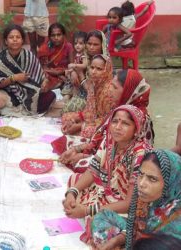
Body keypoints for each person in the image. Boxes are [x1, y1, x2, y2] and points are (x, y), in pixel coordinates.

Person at [62, 105, 152, 242]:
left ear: (136, 129)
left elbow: (130, 203)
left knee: (101, 226)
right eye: (115, 121)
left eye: (125, 123)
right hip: (107, 194)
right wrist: (72, 192)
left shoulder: (140, 154)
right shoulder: (110, 140)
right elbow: (93, 170)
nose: (117, 127)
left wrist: (87, 210)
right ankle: (86, 206)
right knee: (75, 179)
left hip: (128, 206)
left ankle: (90, 212)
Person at [58, 69, 152, 173]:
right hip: (106, 155)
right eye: (111, 85)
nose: (109, 90)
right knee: (68, 145)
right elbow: (102, 140)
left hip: (123, 167)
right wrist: (76, 150)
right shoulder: (119, 107)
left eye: (115, 87)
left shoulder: (138, 118)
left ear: (128, 91)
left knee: (82, 167)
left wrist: (85, 155)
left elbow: (121, 155)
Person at [91, 149, 181, 249]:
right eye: (141, 175)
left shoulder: (176, 221)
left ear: (171, 182)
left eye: (152, 179)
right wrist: (118, 239)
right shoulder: (147, 199)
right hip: (140, 239)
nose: (141, 184)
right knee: (101, 217)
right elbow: (135, 227)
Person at [0, 24, 56, 116]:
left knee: (50, 96)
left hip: (29, 94)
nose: (15, 39)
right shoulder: (0, 57)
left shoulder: (29, 56)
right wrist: (14, 78)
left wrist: (45, 83)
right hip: (8, 93)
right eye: (11, 37)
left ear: (22, 40)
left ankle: (9, 110)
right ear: (6, 41)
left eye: (18, 37)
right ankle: (15, 108)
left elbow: (40, 78)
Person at [61, 54, 115, 137]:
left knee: (88, 131)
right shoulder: (93, 85)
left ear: (107, 70)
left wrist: (80, 125)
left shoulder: (110, 90)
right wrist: (75, 119)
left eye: (99, 69)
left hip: (107, 124)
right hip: (92, 119)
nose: (93, 72)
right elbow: (89, 111)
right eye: (92, 67)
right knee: (66, 117)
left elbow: (107, 119)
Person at [62, 30, 108, 114]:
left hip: (95, 97)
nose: (91, 47)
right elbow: (76, 67)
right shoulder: (86, 57)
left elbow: (90, 91)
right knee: (65, 109)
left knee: (68, 110)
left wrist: (79, 73)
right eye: (89, 44)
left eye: (95, 44)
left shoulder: (104, 62)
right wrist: (73, 73)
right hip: (82, 92)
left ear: (102, 45)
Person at [37, 22, 73, 90]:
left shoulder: (68, 46)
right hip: (49, 75)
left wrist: (62, 73)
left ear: (63, 35)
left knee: (73, 76)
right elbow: (43, 68)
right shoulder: (44, 49)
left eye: (59, 35)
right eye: (53, 35)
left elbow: (71, 66)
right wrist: (58, 73)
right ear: (49, 37)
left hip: (65, 74)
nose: (56, 38)